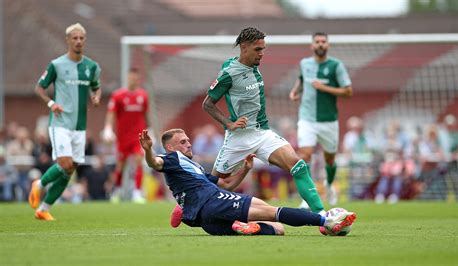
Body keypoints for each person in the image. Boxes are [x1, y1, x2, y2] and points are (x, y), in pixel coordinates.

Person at [201, 27, 325, 216]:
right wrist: (228, 123)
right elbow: (207, 104)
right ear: (244, 47)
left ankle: (322, 216)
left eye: (263, 49)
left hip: (262, 133)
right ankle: (186, 208)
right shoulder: (229, 73)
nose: (262, 53)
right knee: (215, 186)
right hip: (239, 138)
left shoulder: (253, 64)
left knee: (298, 165)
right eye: (258, 49)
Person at [139, 128, 356, 236]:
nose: (188, 144)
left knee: (278, 229)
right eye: (182, 142)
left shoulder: (192, 168)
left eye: (187, 140)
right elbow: (154, 164)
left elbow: (224, 185)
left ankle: (242, 225)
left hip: (209, 223)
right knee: (273, 211)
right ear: (170, 147)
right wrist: (148, 149)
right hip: (214, 203)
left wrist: (245, 170)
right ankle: (325, 221)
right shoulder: (171, 159)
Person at [28, 23, 102, 221]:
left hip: (80, 126)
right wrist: (51, 103)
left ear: (84, 40)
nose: (78, 41)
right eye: (74, 38)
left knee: (69, 170)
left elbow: (96, 87)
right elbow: (39, 88)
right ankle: (39, 185)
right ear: (68, 40)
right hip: (60, 123)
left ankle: (43, 209)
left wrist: (96, 97)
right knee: (65, 162)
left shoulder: (92, 67)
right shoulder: (57, 65)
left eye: (81, 38)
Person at [289, 32, 353, 207]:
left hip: (329, 121)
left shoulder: (336, 66)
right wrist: (296, 91)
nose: (320, 44)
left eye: (323, 42)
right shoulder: (304, 63)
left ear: (328, 45)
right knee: (305, 155)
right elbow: (301, 80)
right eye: (317, 42)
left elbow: (348, 91)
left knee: (330, 159)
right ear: (312, 45)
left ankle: (330, 185)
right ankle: (307, 197)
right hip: (307, 119)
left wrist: (323, 87)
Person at [103, 68, 150, 203]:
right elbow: (111, 113)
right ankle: (117, 191)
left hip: (138, 137)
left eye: (136, 78)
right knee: (120, 166)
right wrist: (108, 128)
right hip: (122, 138)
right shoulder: (118, 96)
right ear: (127, 78)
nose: (133, 80)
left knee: (138, 161)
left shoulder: (143, 95)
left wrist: (149, 129)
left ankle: (136, 193)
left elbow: (146, 115)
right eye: (131, 78)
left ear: (138, 79)